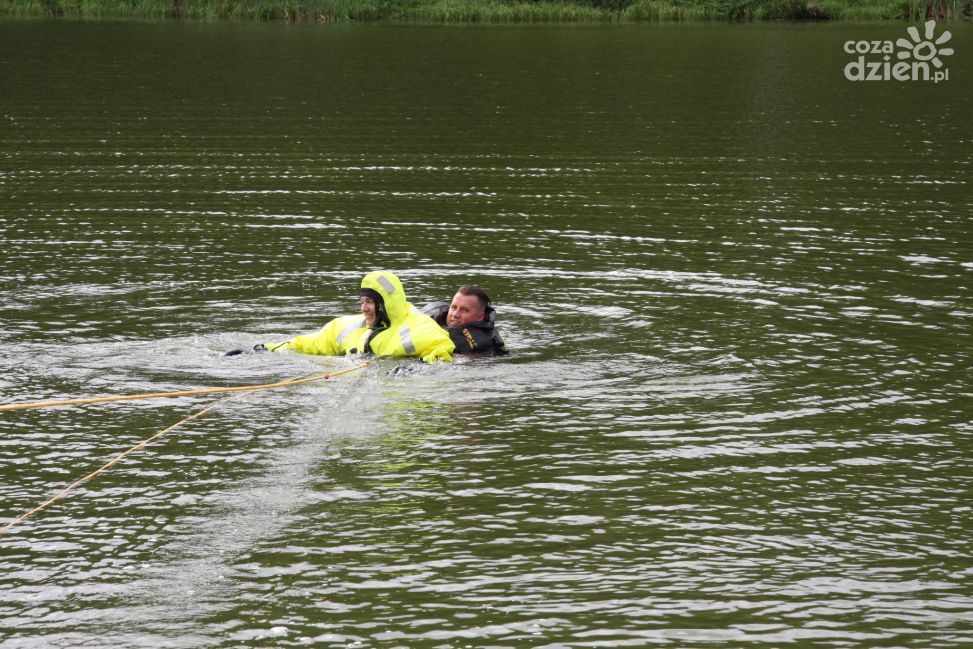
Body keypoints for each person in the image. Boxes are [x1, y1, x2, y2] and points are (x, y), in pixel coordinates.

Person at [228, 271, 454, 363]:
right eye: (362, 302)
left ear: (385, 305)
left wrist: (416, 368)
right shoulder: (347, 326)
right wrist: (264, 349)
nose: (365, 309)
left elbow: (442, 348)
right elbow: (312, 343)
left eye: (371, 303)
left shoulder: (418, 326)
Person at [421, 284, 508, 356]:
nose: (455, 314)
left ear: (480, 317)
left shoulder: (486, 346)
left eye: (464, 310)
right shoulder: (430, 318)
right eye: (453, 307)